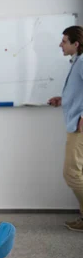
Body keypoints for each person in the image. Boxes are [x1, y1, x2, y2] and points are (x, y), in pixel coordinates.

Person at [49, 26, 83, 232]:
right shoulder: (77, 62)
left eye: (64, 41)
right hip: (73, 122)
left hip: (78, 126)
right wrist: (62, 100)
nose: (60, 45)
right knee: (77, 172)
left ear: (75, 44)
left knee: (71, 173)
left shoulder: (82, 62)